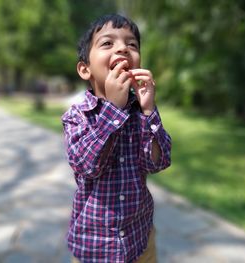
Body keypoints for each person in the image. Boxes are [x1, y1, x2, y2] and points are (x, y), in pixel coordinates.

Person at [61, 14, 172, 263]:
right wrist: (113, 107)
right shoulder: (77, 116)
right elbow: (87, 165)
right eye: (107, 43)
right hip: (95, 246)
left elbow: (158, 162)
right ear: (84, 68)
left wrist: (148, 110)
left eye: (131, 44)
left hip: (140, 239)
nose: (123, 48)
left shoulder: (141, 113)